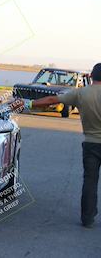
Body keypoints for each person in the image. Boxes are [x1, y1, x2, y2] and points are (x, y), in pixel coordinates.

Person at [12, 63, 101, 228]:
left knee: (90, 181)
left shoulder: (81, 93)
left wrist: (29, 104)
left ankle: (87, 218)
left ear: (91, 76)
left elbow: (53, 99)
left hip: (91, 144)